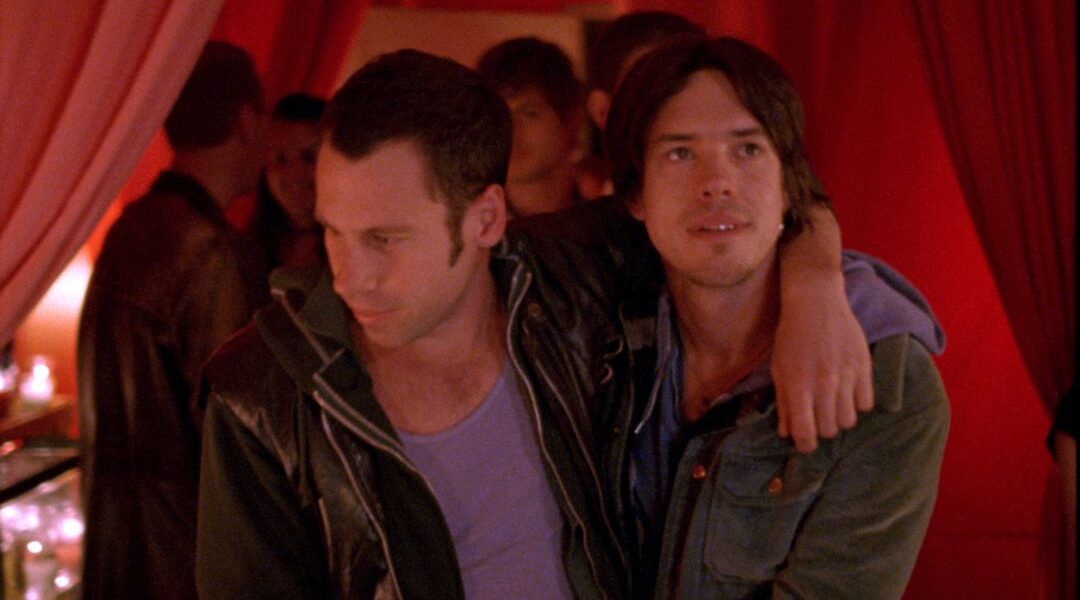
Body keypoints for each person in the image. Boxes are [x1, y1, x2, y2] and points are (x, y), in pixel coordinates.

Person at [194, 49, 938, 599]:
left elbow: (748, 209)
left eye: (387, 239)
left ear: (486, 220)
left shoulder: (562, 288)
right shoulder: (262, 394)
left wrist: (816, 287)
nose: (349, 276)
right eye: (333, 232)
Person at [599, 35, 950, 598]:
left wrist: (816, 286)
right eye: (680, 153)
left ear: (790, 187)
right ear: (635, 196)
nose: (716, 182)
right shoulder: (595, 335)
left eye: (747, 149)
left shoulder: (890, 383)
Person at [77, 41, 269, 600]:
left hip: (115, 556)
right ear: (246, 120)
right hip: (184, 564)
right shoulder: (209, 252)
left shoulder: (129, 230)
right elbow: (234, 442)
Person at [477, 37, 584, 217]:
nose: (511, 131)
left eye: (528, 114)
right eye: (497, 114)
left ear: (571, 117)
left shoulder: (608, 223)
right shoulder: (468, 227)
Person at [248, 92, 327, 270]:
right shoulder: (244, 253)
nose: (294, 173)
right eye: (280, 158)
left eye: (309, 157)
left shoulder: (360, 248)